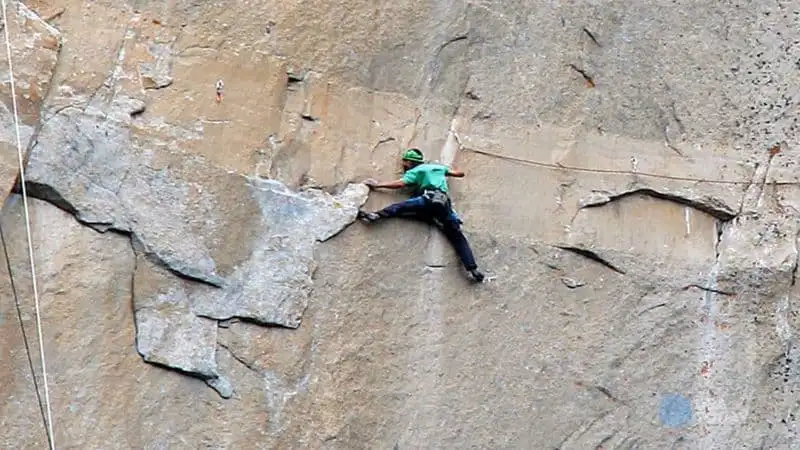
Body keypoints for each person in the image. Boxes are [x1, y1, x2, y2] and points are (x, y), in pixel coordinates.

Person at [358, 148, 486, 283]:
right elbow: (460, 173)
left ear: (409, 162)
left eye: (405, 162)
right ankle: (473, 269)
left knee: (400, 207)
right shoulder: (437, 168)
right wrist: (445, 171)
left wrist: (378, 185)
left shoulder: (416, 171)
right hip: (443, 204)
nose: (404, 165)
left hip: (427, 200)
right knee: (458, 237)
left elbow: (400, 184)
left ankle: (377, 215)